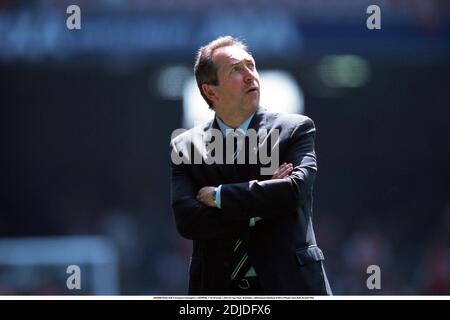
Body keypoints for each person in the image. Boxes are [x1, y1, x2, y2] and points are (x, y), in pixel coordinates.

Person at [170, 36, 332, 295]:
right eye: (236, 69)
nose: (250, 76)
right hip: (218, 291)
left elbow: (294, 191)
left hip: (291, 287)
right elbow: (188, 221)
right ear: (210, 91)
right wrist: (263, 206)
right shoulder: (185, 147)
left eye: (251, 66)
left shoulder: (296, 129)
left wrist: (220, 196)